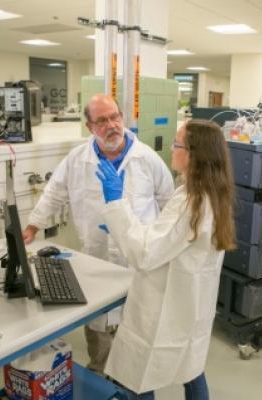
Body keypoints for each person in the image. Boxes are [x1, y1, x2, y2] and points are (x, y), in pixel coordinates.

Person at [23, 94, 174, 374]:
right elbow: (54, 192)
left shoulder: (147, 159)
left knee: (136, 325)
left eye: (115, 117)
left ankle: (130, 377)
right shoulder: (78, 160)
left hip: (138, 260)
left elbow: (168, 203)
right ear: (90, 126)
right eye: (102, 120)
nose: (111, 125)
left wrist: (164, 247)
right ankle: (99, 372)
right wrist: (33, 225)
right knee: (98, 323)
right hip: (97, 255)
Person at [95, 119, 236, 399]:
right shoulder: (212, 194)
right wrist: (125, 225)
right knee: (191, 369)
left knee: (140, 377)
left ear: (194, 154)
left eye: (177, 144)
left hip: (164, 309)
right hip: (191, 307)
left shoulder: (191, 203)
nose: (171, 149)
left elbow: (145, 254)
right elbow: (170, 240)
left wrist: (116, 206)